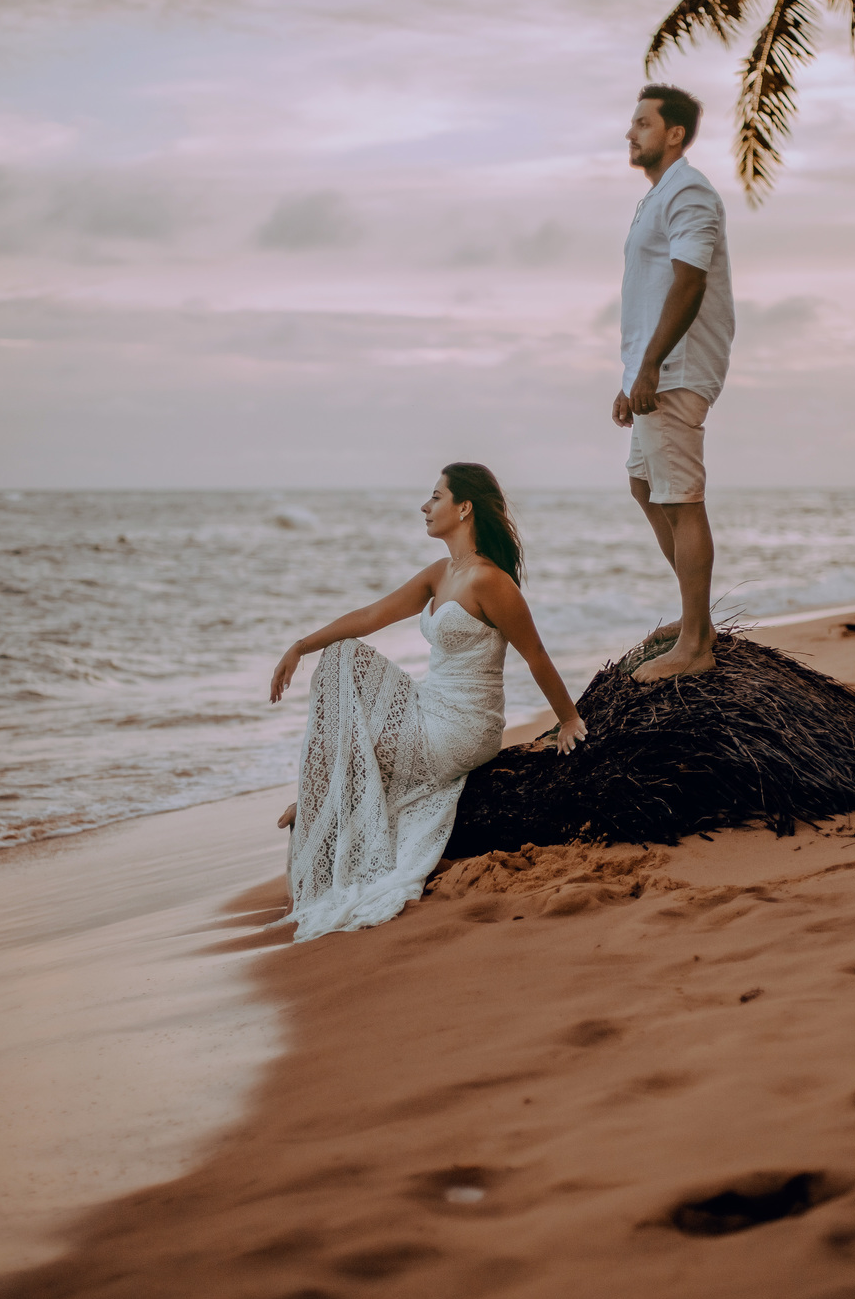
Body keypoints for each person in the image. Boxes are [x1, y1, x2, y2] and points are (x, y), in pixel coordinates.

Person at [269, 463, 586, 941]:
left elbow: (535, 653)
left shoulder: (490, 581)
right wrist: (300, 645)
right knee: (341, 657)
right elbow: (373, 615)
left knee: (348, 672)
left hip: (463, 726)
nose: (425, 505)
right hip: (427, 704)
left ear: (464, 507)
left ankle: (322, 799)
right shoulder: (442, 573)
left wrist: (568, 718)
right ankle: (324, 794)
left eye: (435, 496)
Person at [613, 84, 735, 682]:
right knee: (644, 485)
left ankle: (695, 645)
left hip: (679, 367)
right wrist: (633, 373)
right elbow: (651, 293)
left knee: (680, 499)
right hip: (656, 367)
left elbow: (689, 280)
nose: (630, 133)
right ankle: (698, 622)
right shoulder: (658, 197)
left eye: (642, 123)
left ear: (675, 134)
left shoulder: (688, 190)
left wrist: (654, 365)